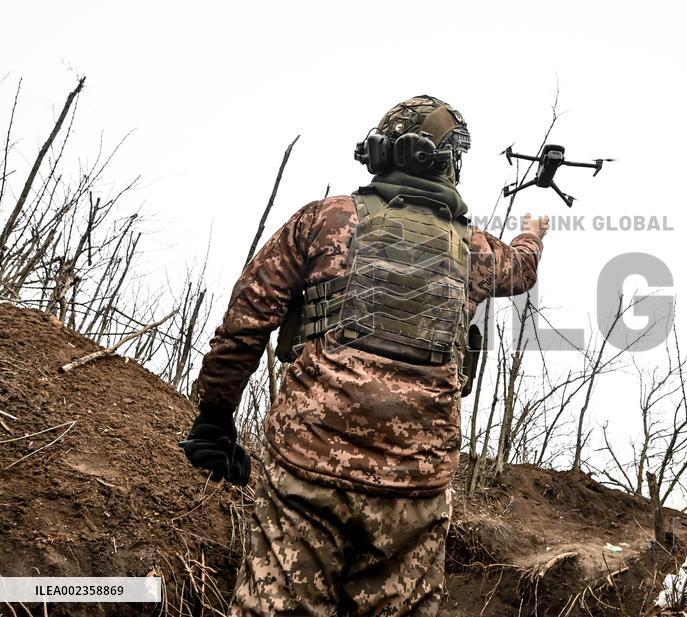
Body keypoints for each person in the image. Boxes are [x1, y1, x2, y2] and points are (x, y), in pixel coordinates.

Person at [183, 95, 548, 616]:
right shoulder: (477, 250)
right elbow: (523, 268)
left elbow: (246, 324)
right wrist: (533, 235)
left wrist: (215, 420)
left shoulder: (322, 221)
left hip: (306, 473)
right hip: (414, 490)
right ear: (444, 162)